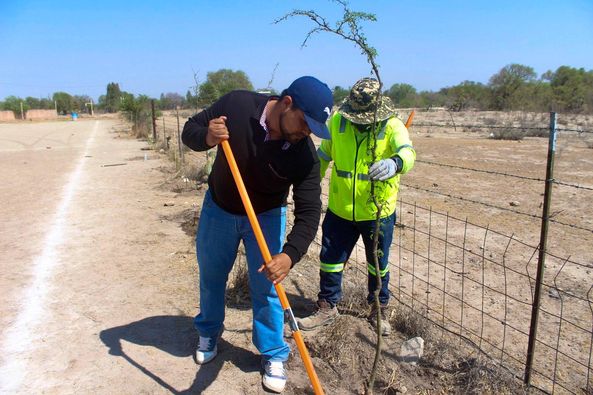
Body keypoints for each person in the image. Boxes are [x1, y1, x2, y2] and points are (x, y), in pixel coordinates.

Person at [181, 76, 333, 393]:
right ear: (287, 103)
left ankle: (273, 353)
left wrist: (289, 255)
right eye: (306, 123)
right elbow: (190, 131)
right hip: (219, 207)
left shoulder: (304, 155)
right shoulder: (237, 105)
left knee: (267, 286)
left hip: (266, 216)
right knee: (211, 275)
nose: (307, 133)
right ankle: (209, 330)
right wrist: (207, 136)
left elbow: (309, 211)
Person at [298, 77, 416, 336]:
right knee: (330, 260)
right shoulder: (339, 122)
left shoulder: (393, 126)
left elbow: (409, 153)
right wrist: (307, 186)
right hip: (340, 210)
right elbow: (324, 156)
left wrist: (395, 163)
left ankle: (378, 309)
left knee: (378, 263)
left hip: (377, 213)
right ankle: (327, 306)